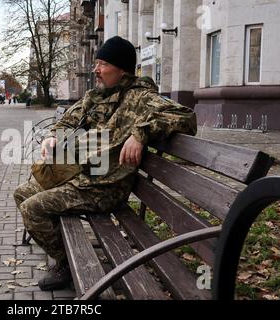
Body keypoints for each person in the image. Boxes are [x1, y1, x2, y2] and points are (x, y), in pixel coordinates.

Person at [14, 36, 197, 291]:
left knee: (33, 209)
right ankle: (65, 254)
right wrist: (52, 137)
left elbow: (186, 116)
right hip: (82, 178)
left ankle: (66, 264)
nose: (96, 70)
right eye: (96, 63)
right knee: (22, 193)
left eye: (102, 64)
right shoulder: (96, 96)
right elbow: (68, 120)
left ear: (121, 68)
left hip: (106, 188)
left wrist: (140, 134)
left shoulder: (140, 97)